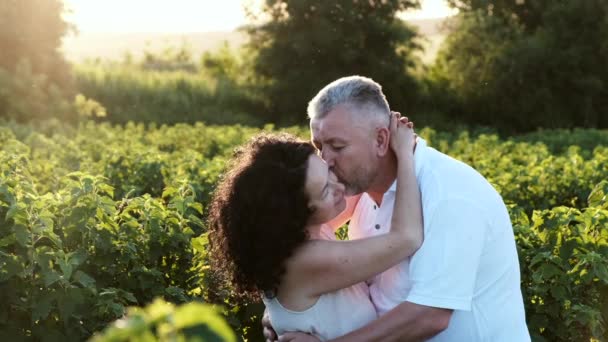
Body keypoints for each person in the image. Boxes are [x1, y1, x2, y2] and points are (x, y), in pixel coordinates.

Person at [265, 76, 530, 341]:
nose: (326, 161)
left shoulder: (450, 194)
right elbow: (295, 251)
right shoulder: (356, 193)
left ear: (381, 140)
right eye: (319, 147)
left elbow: (429, 315)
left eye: (337, 146)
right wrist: (287, 316)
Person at [208, 114, 423, 340]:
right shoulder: (308, 260)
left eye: (327, 171)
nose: (338, 185)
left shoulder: (300, 234)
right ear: (297, 216)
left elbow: (360, 186)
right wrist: (405, 154)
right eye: (324, 191)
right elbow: (407, 238)